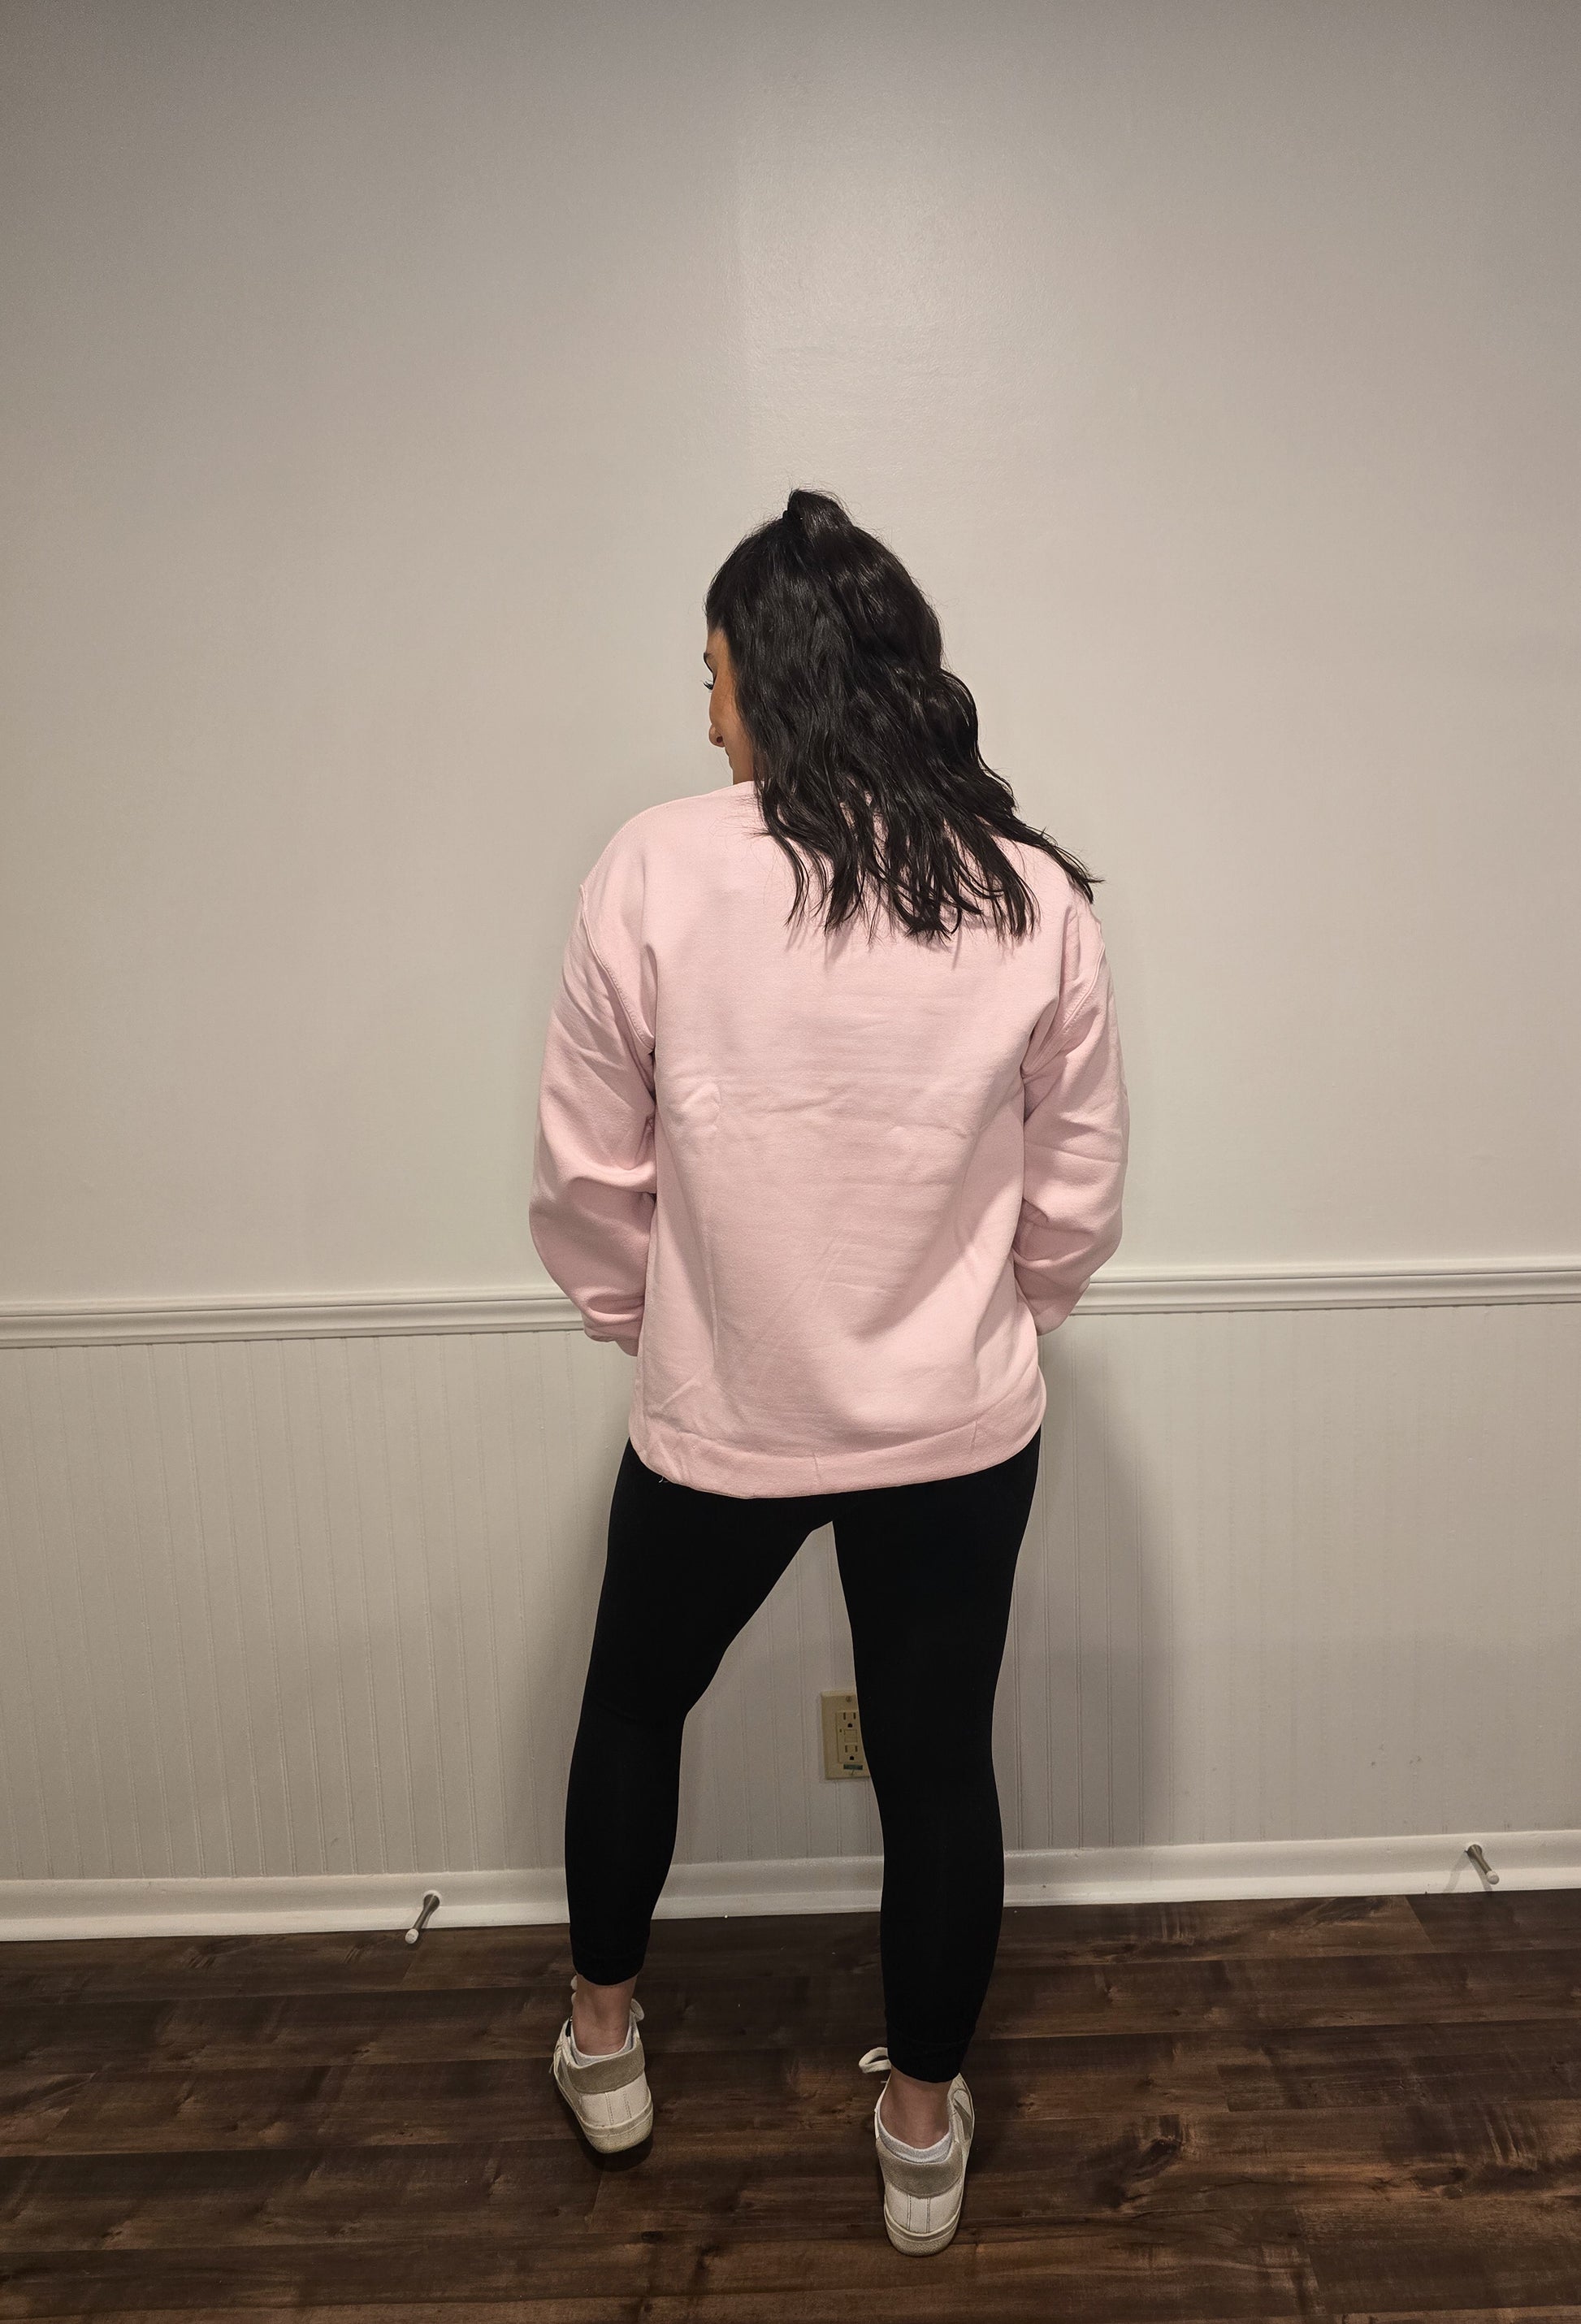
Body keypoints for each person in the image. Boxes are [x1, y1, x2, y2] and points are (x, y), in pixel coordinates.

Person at [528, 487, 1129, 2253]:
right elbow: (1075, 1192)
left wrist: (658, 1330)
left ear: (771, 673)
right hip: (955, 1424)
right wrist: (991, 1323)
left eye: (712, 670)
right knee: (937, 1768)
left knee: (632, 1705)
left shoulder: (654, 868)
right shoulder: (1022, 890)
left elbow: (587, 1175)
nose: (703, 709)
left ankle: (604, 2040)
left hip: (723, 1416)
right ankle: (921, 2134)